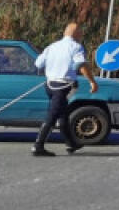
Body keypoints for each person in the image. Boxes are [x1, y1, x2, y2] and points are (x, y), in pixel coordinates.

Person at [33, 22, 97, 156]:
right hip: (64, 87)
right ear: (77, 33)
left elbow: (38, 63)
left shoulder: (52, 46)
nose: (82, 36)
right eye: (81, 33)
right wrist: (92, 81)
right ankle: (38, 146)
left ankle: (71, 144)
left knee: (63, 114)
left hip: (50, 85)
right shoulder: (76, 47)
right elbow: (81, 65)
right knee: (53, 115)